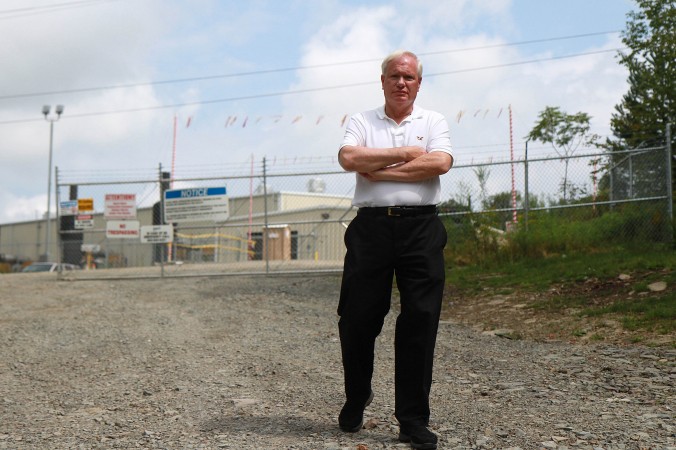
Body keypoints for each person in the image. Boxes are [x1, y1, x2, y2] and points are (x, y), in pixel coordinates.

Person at [336, 50, 453, 450]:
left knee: (421, 319)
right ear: (382, 80)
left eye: (409, 77)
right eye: (394, 76)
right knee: (358, 317)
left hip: (421, 229)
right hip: (371, 230)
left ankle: (413, 420)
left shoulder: (433, 121)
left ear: (419, 83)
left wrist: (377, 171)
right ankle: (357, 396)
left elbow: (439, 163)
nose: (401, 83)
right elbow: (349, 158)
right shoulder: (361, 120)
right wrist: (404, 154)